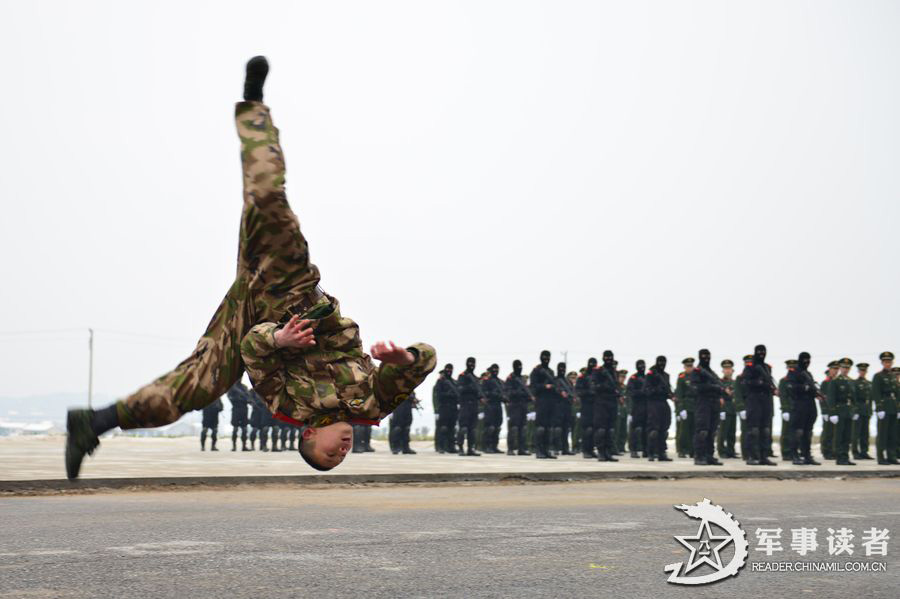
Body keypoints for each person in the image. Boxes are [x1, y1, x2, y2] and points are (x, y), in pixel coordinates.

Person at [64, 57, 436, 478]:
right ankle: (254, 106)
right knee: (268, 200)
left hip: (254, 320)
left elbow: (252, 355)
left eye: (330, 456)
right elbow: (420, 366)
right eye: (342, 458)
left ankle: (94, 422)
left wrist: (278, 339)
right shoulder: (372, 403)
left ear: (308, 438)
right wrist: (405, 357)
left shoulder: (287, 407)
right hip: (290, 290)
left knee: (199, 384)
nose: (343, 451)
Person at [689, 349, 727, 466]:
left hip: (714, 403)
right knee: (702, 430)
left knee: (712, 431)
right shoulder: (697, 371)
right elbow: (695, 388)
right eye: (704, 356)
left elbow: (720, 388)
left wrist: (721, 392)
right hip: (703, 403)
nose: (706, 358)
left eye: (708, 356)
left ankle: (709, 455)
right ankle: (699, 456)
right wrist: (712, 387)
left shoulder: (711, 373)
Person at [740, 345, 777, 466]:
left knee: (765, 430)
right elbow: (744, 383)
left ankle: (763, 456)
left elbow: (770, 383)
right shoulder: (750, 367)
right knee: (753, 430)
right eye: (759, 352)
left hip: (765, 400)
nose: (762, 354)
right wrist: (758, 382)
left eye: (764, 352)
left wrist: (772, 390)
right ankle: (751, 456)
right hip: (753, 400)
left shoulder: (766, 367)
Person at [786, 352, 823, 465]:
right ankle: (794, 455)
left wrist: (816, 393)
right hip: (799, 405)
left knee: (808, 432)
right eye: (804, 359)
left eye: (808, 359)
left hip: (810, 406)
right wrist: (805, 387)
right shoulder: (793, 372)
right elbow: (791, 388)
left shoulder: (808, 373)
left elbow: (812, 388)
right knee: (798, 431)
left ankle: (807, 455)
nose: (807, 362)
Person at [592, 350, 621, 462]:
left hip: (612, 402)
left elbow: (617, 386)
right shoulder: (599, 371)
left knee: (610, 429)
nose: (609, 359)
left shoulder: (614, 372)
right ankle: (601, 452)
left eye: (610, 357)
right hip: (601, 401)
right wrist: (605, 386)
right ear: (603, 358)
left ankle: (608, 452)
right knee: (601, 429)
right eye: (607, 357)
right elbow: (594, 385)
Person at [644, 356, 673, 461]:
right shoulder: (651, 375)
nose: (662, 364)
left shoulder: (666, 376)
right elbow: (646, 390)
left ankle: (662, 453)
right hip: (653, 403)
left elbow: (669, 389)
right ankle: (651, 452)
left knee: (664, 430)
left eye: (664, 362)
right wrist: (657, 389)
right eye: (660, 362)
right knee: (653, 430)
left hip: (663, 403)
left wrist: (671, 395)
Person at [530, 350, 558, 459]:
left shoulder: (550, 371)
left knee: (549, 427)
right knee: (541, 427)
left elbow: (555, 385)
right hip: (541, 400)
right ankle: (539, 450)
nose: (546, 359)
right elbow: (533, 386)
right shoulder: (537, 371)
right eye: (544, 356)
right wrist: (544, 386)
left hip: (550, 401)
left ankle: (546, 450)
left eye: (548, 357)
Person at [872, 351, 898, 465]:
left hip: (893, 407)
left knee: (892, 434)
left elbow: (897, 393)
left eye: (889, 362)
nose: (888, 364)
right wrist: (879, 408)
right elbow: (876, 393)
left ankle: (891, 456)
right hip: (884, 407)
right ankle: (881, 457)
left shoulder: (893, 376)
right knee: (882, 434)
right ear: (882, 363)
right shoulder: (878, 376)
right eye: (886, 362)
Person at [505, 360, 532, 456]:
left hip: (522, 405)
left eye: (521, 366)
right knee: (514, 428)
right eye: (518, 366)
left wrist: (528, 396)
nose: (520, 368)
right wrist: (518, 392)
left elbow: (527, 393)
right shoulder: (511, 378)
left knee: (523, 428)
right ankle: (510, 449)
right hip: (514, 405)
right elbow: (508, 392)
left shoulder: (521, 379)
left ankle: (522, 449)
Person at [456, 357, 483, 456]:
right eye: (470, 363)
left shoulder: (475, 378)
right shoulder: (462, 376)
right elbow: (459, 389)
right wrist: (469, 388)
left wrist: (481, 397)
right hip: (465, 405)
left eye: (473, 363)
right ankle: (460, 448)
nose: (472, 365)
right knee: (463, 428)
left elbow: (479, 391)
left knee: (472, 429)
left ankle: (471, 449)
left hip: (474, 405)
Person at [575, 359, 598, 458]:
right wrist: (588, 392)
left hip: (597, 405)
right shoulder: (583, 377)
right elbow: (578, 391)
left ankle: (591, 449)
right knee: (587, 429)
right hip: (586, 405)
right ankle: (585, 450)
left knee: (594, 429)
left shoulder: (598, 377)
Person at [434, 364, 459, 454]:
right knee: (443, 428)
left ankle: (451, 446)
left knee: (452, 428)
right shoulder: (440, 382)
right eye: (447, 369)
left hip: (453, 407)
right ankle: (441, 446)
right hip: (444, 407)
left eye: (451, 369)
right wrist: (448, 394)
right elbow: (439, 395)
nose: (449, 371)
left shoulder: (454, 382)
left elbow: (458, 394)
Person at [481, 364, 506, 454]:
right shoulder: (487, 381)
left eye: (497, 369)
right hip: (490, 405)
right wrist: (492, 393)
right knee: (490, 427)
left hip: (498, 405)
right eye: (494, 369)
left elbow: (504, 392)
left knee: (497, 427)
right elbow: (483, 392)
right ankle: (486, 446)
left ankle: (494, 446)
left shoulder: (500, 382)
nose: (496, 371)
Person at [553, 363, 577, 455]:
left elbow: (573, 391)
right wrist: (560, 392)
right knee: (557, 428)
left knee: (566, 428)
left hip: (567, 406)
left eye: (564, 368)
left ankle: (565, 448)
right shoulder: (555, 380)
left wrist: (573, 397)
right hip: (558, 406)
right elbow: (554, 390)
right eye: (560, 368)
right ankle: (556, 448)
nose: (562, 370)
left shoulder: (568, 381)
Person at [674, 358, 696, 458]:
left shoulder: (697, 376)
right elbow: (679, 394)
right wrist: (681, 409)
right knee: (684, 430)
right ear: (684, 367)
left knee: (694, 430)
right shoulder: (682, 377)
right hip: (686, 406)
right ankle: (681, 450)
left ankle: (692, 450)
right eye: (687, 366)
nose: (689, 368)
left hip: (695, 406)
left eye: (691, 366)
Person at [626, 360, 648, 459]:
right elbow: (630, 393)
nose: (642, 367)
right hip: (636, 406)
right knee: (634, 430)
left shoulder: (647, 377)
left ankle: (646, 450)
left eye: (643, 365)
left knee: (646, 430)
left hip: (646, 406)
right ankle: (633, 450)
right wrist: (630, 411)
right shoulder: (633, 378)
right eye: (640, 365)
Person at [716, 359, 737, 459]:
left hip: (733, 409)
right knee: (723, 432)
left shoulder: (735, 382)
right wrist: (721, 410)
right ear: (723, 371)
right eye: (725, 369)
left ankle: (731, 451)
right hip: (724, 409)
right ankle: (721, 451)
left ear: (732, 370)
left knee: (732, 432)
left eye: (729, 369)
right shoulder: (719, 382)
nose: (728, 371)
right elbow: (718, 396)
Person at [852, 362, 873, 460]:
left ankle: (864, 451)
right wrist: (855, 410)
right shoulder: (854, 383)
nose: (863, 372)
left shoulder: (869, 383)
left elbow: (871, 397)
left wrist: (870, 410)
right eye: (861, 370)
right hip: (858, 409)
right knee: (856, 432)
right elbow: (853, 398)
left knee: (865, 433)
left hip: (866, 409)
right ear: (858, 371)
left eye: (864, 370)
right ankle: (855, 452)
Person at [777, 360, 797, 461]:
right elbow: (783, 396)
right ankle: (786, 452)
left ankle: (795, 452)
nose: (791, 370)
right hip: (788, 409)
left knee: (797, 432)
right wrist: (785, 409)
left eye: (793, 368)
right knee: (786, 432)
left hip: (798, 410)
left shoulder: (799, 380)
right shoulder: (783, 381)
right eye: (790, 368)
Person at [819, 361, 839, 460]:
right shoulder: (825, 383)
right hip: (828, 411)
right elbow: (822, 398)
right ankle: (826, 451)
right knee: (828, 432)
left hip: (836, 411)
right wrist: (824, 411)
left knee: (835, 433)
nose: (835, 371)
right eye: (833, 369)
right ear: (830, 370)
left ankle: (834, 451)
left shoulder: (838, 382)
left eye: (837, 369)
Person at [389, 390, 418, 455]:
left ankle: (405, 447)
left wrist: (414, 400)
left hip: (407, 409)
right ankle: (395, 447)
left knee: (406, 428)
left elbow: (412, 396)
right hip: (398, 410)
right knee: (397, 428)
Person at [226, 381, 251, 451]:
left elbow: (249, 398)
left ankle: (244, 446)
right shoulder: (233, 387)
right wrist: (236, 400)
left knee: (244, 429)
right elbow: (229, 397)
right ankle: (234, 446)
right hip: (236, 410)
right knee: (235, 429)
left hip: (244, 410)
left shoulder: (244, 387)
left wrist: (244, 399)